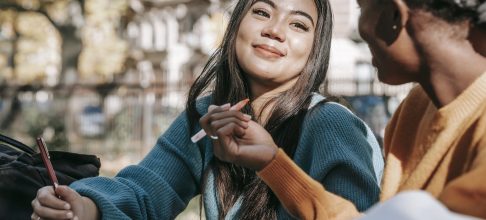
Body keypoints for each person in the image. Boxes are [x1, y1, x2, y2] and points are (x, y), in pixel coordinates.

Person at [31, 0, 384, 219]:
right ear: (235, 28)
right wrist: (85, 208)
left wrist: (274, 163)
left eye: (298, 24)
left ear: (315, 50)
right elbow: (146, 192)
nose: (275, 30)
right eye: (261, 11)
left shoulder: (330, 124)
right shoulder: (207, 116)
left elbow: (355, 216)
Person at [206, 0, 486, 219]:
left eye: (361, 7)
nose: (359, 28)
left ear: (393, 16)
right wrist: (271, 163)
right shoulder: (415, 109)